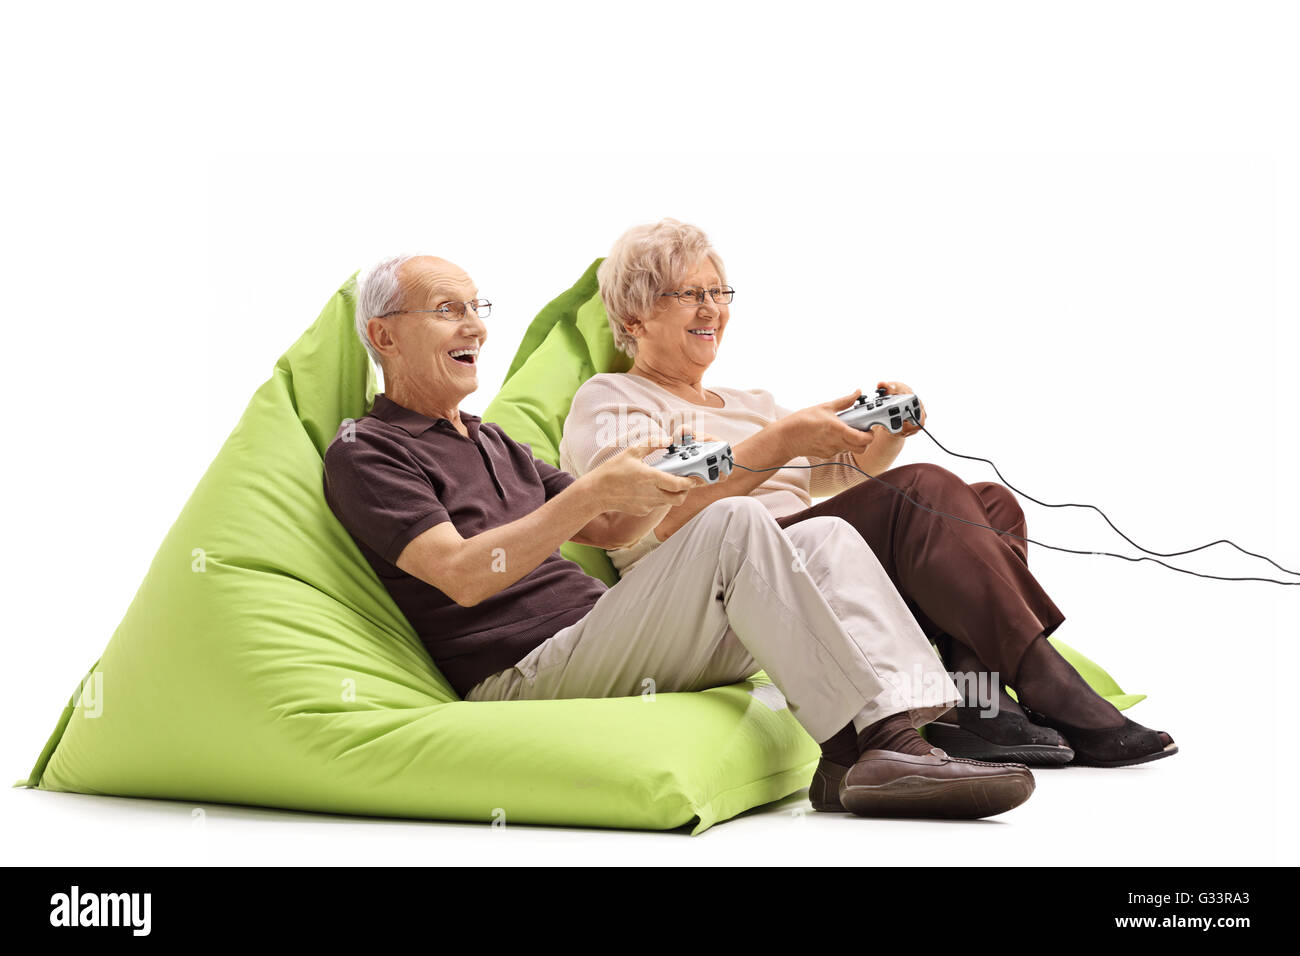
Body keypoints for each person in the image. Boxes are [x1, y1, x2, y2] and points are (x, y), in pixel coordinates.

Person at [321, 253, 1036, 820]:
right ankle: (878, 748)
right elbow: (462, 575)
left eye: (477, 309)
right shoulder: (368, 452)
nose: (475, 326)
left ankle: (890, 743)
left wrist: (652, 487)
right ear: (383, 334)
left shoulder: (495, 441)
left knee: (822, 540)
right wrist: (602, 493)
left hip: (603, 634)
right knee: (741, 523)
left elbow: (607, 526)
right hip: (521, 672)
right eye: (448, 311)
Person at [559, 218, 1178, 782]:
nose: (711, 309)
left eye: (719, 294)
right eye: (689, 295)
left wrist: (882, 436)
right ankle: (1042, 677)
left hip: (813, 548)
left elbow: (840, 477)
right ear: (635, 319)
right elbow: (661, 515)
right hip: (727, 572)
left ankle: (976, 699)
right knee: (926, 493)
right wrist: (783, 439)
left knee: (989, 504)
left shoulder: (746, 400)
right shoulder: (612, 399)